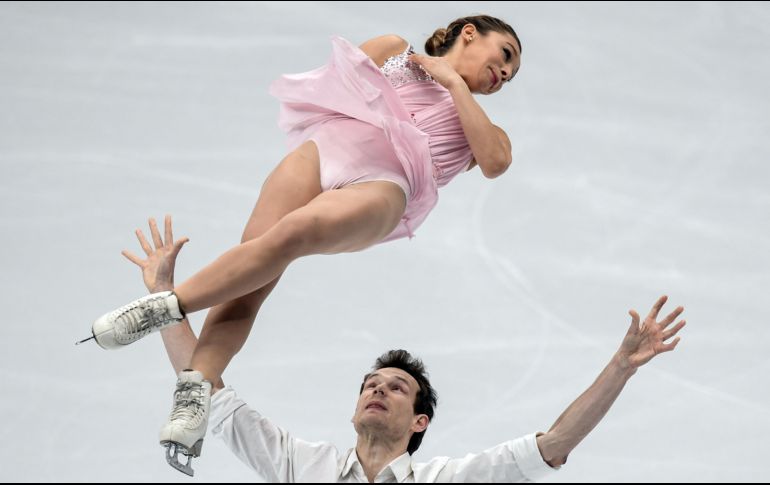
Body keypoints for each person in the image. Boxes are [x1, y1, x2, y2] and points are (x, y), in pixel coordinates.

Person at [82, 15, 525, 466]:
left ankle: (163, 308)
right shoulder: (396, 48)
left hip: (384, 184)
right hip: (329, 149)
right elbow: (340, 88)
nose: (505, 73)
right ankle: (192, 398)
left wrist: (451, 80)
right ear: (469, 32)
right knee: (251, 276)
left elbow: (494, 162)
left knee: (293, 233)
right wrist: (426, 70)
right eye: (505, 54)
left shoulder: (486, 132)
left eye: (511, 74)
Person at [126, 217, 687, 479]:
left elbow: (555, 443)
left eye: (396, 388)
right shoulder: (301, 464)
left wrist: (619, 368)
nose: (378, 389)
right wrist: (162, 300)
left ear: (419, 422)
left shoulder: (451, 479)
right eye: (372, 383)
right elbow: (205, 391)